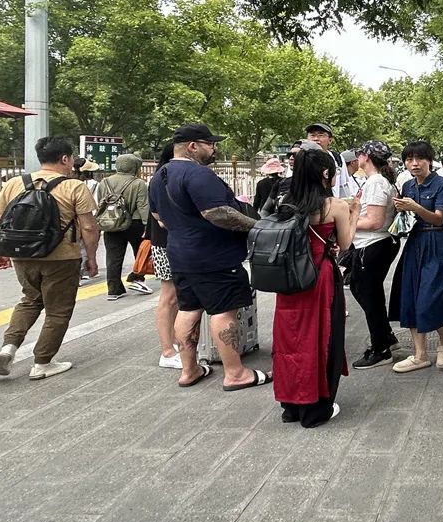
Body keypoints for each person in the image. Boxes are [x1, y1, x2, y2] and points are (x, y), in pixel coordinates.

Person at [148, 123, 271, 390]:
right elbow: (217, 213)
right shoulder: (198, 174)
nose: (214, 149)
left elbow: (159, 218)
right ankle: (235, 373)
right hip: (214, 256)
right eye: (210, 144)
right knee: (223, 312)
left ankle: (189, 370)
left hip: (180, 255)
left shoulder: (159, 177)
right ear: (193, 146)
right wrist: (258, 226)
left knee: (188, 310)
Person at [0, 137, 101, 380]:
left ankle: (8, 348)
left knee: (30, 300)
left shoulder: (14, 183)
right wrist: (91, 258)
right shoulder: (74, 186)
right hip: (62, 258)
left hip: (22, 255)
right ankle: (42, 362)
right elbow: (89, 227)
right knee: (58, 311)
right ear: (65, 159)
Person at [272, 148, 359, 427]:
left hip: (289, 279)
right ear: (325, 173)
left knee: (290, 339)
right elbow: (345, 244)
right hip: (319, 277)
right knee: (321, 337)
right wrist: (355, 213)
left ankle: (291, 405)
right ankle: (316, 407)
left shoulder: (287, 202)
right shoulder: (334, 206)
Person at [388, 141, 443, 373]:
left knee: (430, 296)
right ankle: (420, 354)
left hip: (437, 243)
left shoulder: (442, 184)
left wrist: (414, 207)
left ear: (429, 161)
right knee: (410, 297)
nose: (414, 164)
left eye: (420, 159)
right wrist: (401, 211)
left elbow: (438, 218)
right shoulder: (407, 185)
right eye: (409, 160)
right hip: (414, 244)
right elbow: (408, 218)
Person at [348, 140, 401, 369]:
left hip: (374, 244)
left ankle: (381, 348)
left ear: (366, 157)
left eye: (359, 153)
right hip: (371, 245)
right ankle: (385, 337)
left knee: (369, 295)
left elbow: (375, 221)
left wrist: (346, 222)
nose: (357, 157)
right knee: (365, 291)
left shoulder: (377, 182)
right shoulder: (375, 181)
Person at [95, 154, 153, 300]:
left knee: (113, 257)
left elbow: (101, 203)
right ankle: (137, 279)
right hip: (135, 223)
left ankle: (114, 290)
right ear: (134, 167)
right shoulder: (138, 183)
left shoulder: (104, 182)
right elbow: (143, 206)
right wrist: (148, 226)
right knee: (140, 252)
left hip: (111, 224)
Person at [150, 144, 182, 369]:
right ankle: (167, 351)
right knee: (169, 297)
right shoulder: (163, 180)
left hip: (167, 243)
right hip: (165, 244)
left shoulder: (161, 177)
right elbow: (160, 217)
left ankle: (174, 343)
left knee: (175, 297)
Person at [304, 122, 355, 199]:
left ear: (330, 140)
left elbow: (342, 186)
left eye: (320, 135)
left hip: (332, 204)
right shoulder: (301, 158)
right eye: (312, 135)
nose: (316, 139)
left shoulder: (337, 158)